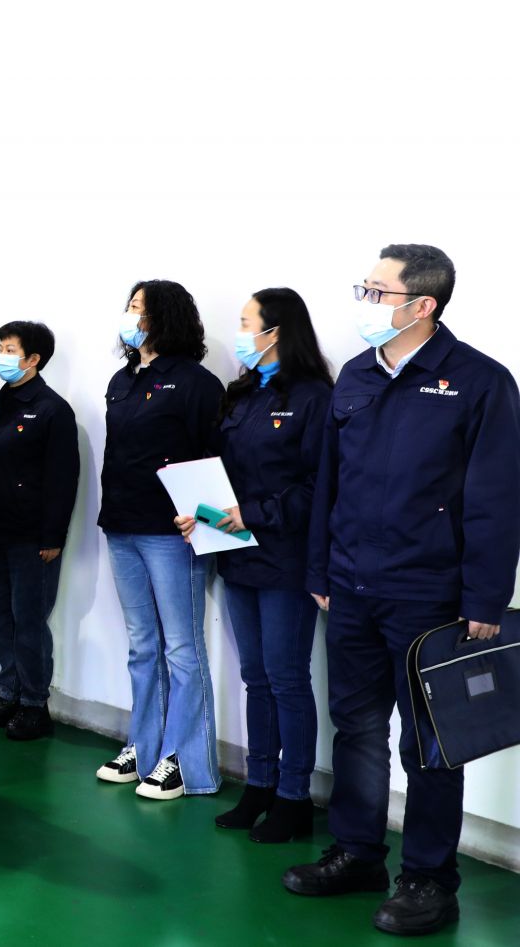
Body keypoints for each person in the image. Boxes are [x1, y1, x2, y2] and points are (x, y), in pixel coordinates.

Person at [284, 245, 520, 937]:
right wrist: (320, 571)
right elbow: (330, 483)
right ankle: (358, 853)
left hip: (429, 596)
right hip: (351, 587)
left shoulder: (479, 382)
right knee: (356, 727)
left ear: (424, 304)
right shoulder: (356, 375)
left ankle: (428, 880)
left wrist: (484, 599)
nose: (364, 302)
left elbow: (496, 499)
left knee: (429, 744)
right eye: (364, 287)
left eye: (377, 291)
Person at [168, 290, 332, 840]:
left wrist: (252, 514)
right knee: (255, 678)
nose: (239, 332)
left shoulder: (314, 398)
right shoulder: (243, 393)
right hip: (237, 553)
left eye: (246, 323)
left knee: (287, 679)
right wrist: (201, 513)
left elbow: (317, 488)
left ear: (276, 331)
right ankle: (259, 784)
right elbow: (223, 472)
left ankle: (293, 797)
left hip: (284, 558)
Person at [96, 280, 223, 801]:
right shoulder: (123, 379)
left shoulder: (196, 383)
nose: (131, 316)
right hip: (122, 525)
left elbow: (215, 459)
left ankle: (186, 762)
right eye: (130, 306)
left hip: (173, 534)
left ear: (166, 318)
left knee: (182, 649)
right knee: (142, 645)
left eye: (141, 309)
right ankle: (144, 746)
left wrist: (207, 522)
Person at [0, 321, 78, 741]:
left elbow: (62, 479)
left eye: (10, 349)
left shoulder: (52, 410)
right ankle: (7, 693)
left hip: (31, 538)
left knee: (29, 621)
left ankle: (34, 703)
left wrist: (53, 537)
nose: (2, 355)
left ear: (33, 359)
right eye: (0, 347)